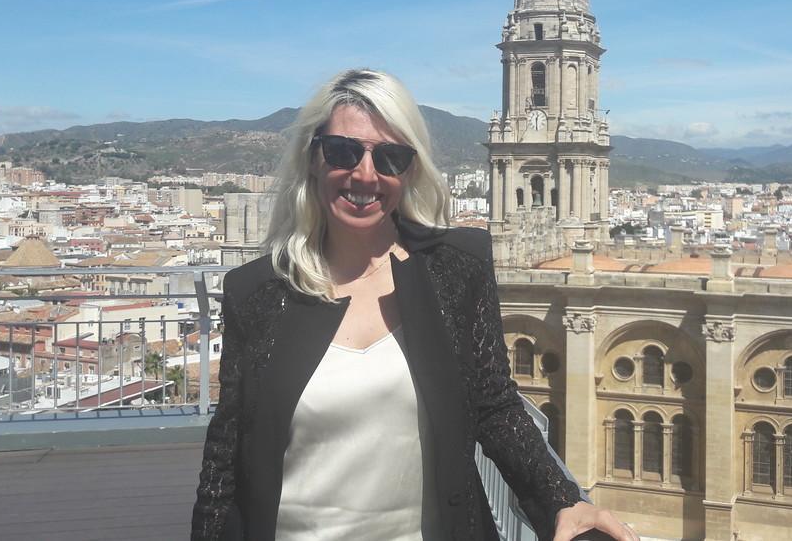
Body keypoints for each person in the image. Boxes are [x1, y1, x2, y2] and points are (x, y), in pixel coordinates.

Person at [191, 69, 636, 541]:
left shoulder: (455, 269)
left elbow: (494, 406)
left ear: (410, 170)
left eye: (390, 157)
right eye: (343, 151)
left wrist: (563, 500)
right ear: (313, 158)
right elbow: (226, 454)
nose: (365, 174)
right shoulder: (256, 293)